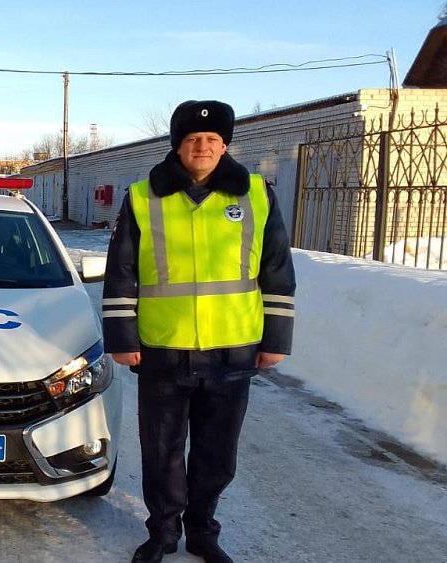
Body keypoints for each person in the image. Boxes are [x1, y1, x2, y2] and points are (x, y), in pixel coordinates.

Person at [103, 100, 296, 563]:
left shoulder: (255, 193)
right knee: (163, 453)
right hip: (162, 351)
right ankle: (163, 534)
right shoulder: (143, 196)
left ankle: (203, 533)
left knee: (216, 455)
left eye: (211, 140)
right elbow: (121, 272)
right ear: (178, 146)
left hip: (233, 351)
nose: (202, 147)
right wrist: (122, 340)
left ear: (225, 144)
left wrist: (276, 340)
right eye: (193, 140)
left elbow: (277, 271)